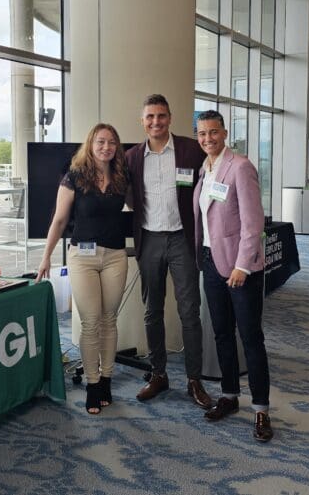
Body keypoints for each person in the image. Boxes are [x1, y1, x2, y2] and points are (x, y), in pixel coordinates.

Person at [125, 94, 211, 409]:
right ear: (143, 120)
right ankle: (158, 374)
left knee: (189, 312)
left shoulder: (190, 149)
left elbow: (210, 184)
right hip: (148, 239)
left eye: (161, 116)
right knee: (152, 311)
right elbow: (130, 197)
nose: (156, 122)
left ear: (170, 118)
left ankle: (194, 380)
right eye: (150, 117)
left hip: (181, 239)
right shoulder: (132, 157)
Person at [36, 124, 129, 415]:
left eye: (112, 142)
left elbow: (141, 207)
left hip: (115, 255)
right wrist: (46, 257)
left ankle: (107, 379)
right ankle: (92, 383)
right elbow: (59, 220)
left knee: (109, 319)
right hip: (82, 257)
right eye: (100, 141)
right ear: (90, 144)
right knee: (90, 322)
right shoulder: (75, 176)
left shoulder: (122, 177)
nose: (106, 147)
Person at [193, 110, 273, 443]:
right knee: (222, 334)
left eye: (213, 132)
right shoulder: (205, 169)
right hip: (212, 263)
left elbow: (254, 223)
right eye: (201, 134)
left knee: (250, 338)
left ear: (225, 133)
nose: (207, 139)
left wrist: (242, 265)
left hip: (240, 269)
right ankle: (228, 395)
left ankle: (261, 409)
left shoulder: (240, 166)